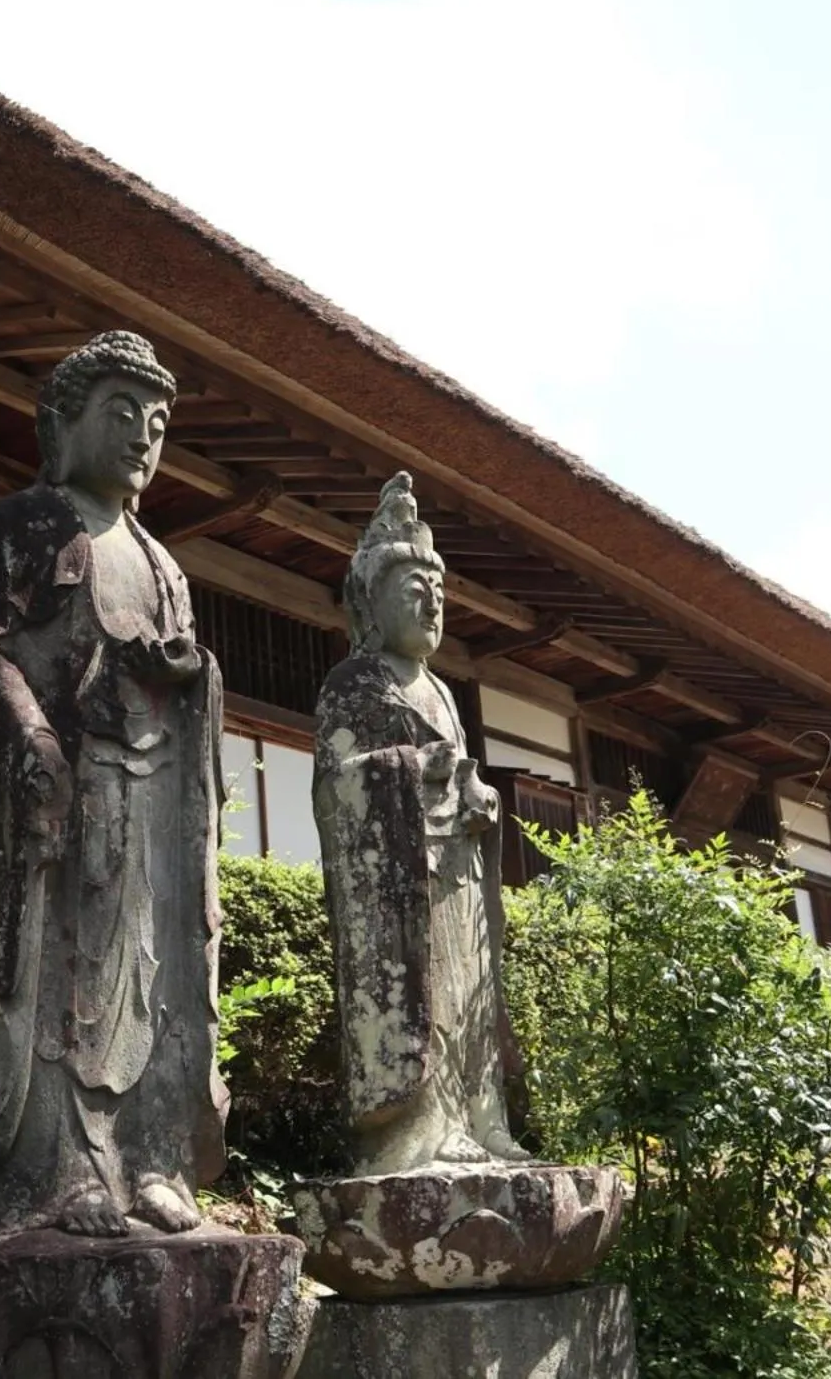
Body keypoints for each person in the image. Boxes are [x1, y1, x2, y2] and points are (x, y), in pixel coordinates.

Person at [0, 331, 227, 1242]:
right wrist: (36, 743)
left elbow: (183, 676)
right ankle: (61, 1169)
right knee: (56, 978)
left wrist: (184, 671)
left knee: (148, 977)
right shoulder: (18, 529)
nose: (142, 438)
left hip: (147, 797)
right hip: (56, 800)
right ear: (63, 421)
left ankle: (148, 1155)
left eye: (158, 423)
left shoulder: (165, 565)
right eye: (121, 414)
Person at [313, 472, 525, 1174]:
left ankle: (480, 1120)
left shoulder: (441, 691)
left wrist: (477, 796)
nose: (431, 604)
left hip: (454, 871)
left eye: (439, 593)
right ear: (371, 603)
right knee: (424, 997)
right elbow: (340, 782)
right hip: (401, 880)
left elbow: (459, 768)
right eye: (413, 590)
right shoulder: (355, 683)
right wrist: (411, 768)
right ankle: (421, 1133)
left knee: (468, 997)